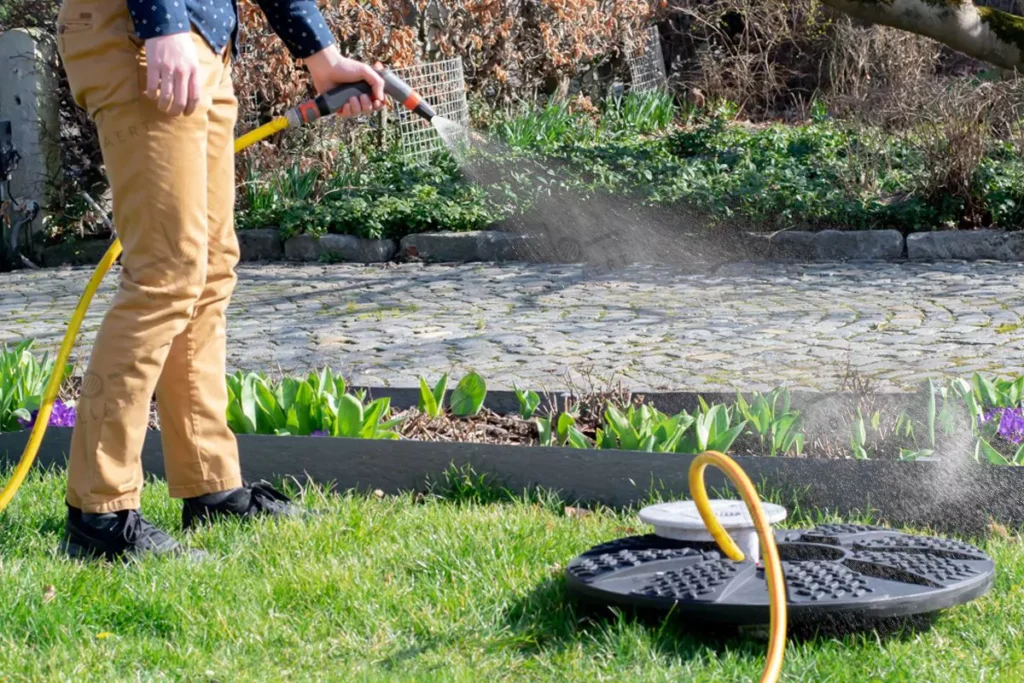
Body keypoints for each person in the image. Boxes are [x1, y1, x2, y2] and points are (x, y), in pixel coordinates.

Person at [55, 0, 384, 561]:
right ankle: (99, 513)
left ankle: (211, 486)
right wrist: (163, 26)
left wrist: (320, 54)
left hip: (201, 39)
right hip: (141, 31)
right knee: (165, 272)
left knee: (207, 272)